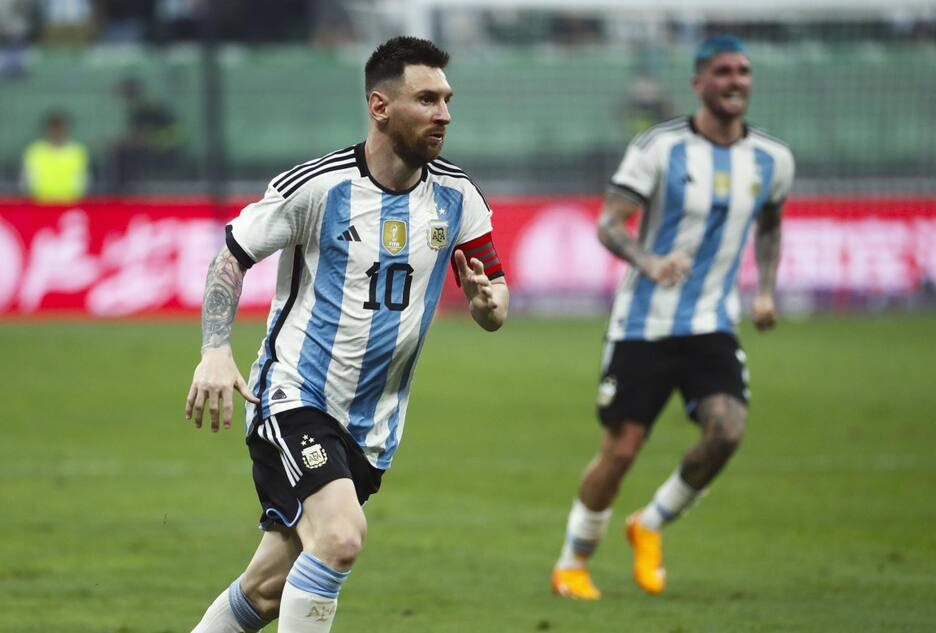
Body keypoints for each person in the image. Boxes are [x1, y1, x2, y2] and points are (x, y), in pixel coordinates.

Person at [185, 36, 508, 632]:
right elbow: (232, 255)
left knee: (266, 591)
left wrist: (487, 303)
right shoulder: (317, 187)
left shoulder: (457, 196)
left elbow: (496, 300)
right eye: (427, 99)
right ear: (380, 106)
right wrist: (214, 350)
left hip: (373, 427)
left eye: (447, 100)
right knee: (339, 537)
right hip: (295, 396)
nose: (444, 114)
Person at [550, 34, 794, 600]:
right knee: (621, 450)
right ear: (699, 82)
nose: (735, 81)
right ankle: (572, 564)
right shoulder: (659, 147)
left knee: (727, 431)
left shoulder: (773, 159)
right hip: (644, 323)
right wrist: (650, 262)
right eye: (724, 72)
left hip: (712, 322)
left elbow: (771, 224)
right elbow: (610, 223)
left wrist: (765, 290)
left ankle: (650, 523)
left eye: (743, 72)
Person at [20, 110, 91, 203]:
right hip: (40, 204)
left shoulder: (78, 152)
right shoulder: (34, 151)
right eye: (54, 129)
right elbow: (26, 180)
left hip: (71, 203)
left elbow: (84, 180)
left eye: (60, 129)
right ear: (47, 130)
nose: (57, 132)